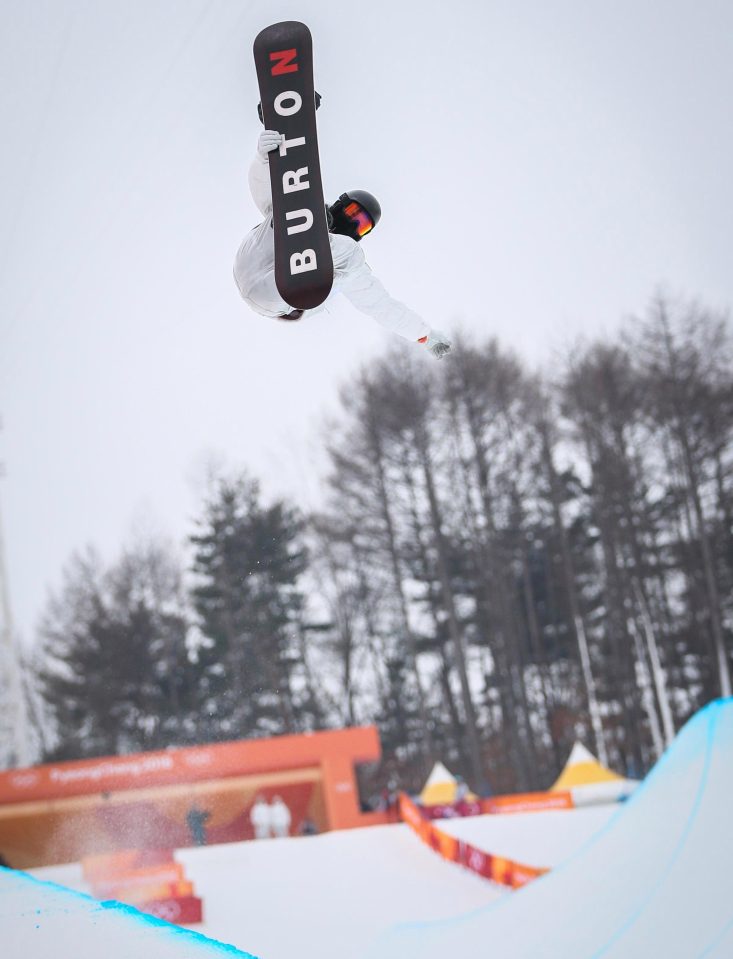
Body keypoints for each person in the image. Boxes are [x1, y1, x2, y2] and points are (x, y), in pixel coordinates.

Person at [234, 129, 452, 359]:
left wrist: (424, 335)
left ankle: (305, 272)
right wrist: (264, 159)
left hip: (275, 295)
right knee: (293, 211)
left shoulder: (349, 262)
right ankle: (307, 243)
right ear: (340, 205)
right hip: (252, 258)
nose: (353, 223)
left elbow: (381, 305)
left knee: (351, 259)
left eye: (362, 225)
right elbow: (265, 191)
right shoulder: (301, 209)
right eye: (353, 213)